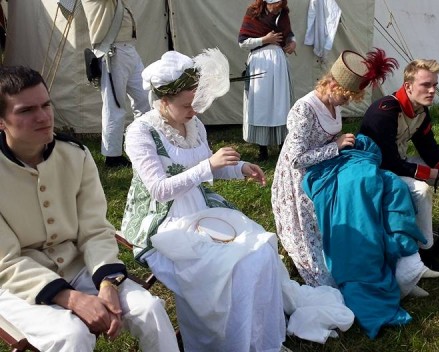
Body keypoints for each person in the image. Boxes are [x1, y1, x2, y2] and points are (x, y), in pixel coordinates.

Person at [0, 65, 179, 352]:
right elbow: (6, 263)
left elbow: (95, 229)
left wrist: (107, 282)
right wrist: (73, 299)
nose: (43, 117)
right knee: (72, 335)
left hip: (78, 265)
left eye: (46, 104)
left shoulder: (75, 155)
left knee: (149, 309)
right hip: (14, 285)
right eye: (25, 110)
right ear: (1, 121)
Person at [121, 50, 289, 352]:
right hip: (163, 221)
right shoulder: (140, 133)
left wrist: (239, 170)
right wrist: (208, 166)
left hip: (199, 207)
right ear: (163, 101)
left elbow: (207, 167)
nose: (195, 111)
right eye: (187, 105)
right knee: (232, 267)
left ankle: (253, 339)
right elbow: (160, 189)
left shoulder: (194, 125)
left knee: (260, 252)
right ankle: (218, 341)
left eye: (197, 103)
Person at [272, 49, 439, 288]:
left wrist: (341, 144)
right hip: (300, 181)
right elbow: (296, 159)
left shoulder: (333, 103)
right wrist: (336, 146)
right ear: (331, 84)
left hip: (326, 170)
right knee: (321, 257)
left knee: (371, 191)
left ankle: (396, 262)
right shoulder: (304, 109)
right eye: (346, 96)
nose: (347, 101)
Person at [359, 59, 439, 268]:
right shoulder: (384, 111)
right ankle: (425, 250)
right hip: (375, 172)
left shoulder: (421, 110)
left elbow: (428, 147)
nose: (432, 90)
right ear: (408, 86)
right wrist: (437, 175)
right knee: (421, 190)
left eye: (435, 85)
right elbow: (388, 163)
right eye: (426, 85)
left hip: (397, 164)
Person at [81, 0, 150, 167]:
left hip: (128, 50)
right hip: (113, 51)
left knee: (146, 99)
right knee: (115, 106)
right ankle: (112, 156)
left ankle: (143, 144)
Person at [238, 0, 296, 161]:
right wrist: (265, 39)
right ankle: (262, 148)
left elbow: (289, 34)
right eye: (275, 3)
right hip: (260, 63)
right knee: (261, 103)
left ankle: (282, 145)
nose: (278, 6)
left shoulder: (283, 14)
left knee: (280, 102)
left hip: (278, 63)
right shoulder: (253, 14)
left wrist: (292, 43)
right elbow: (242, 42)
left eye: (280, 2)